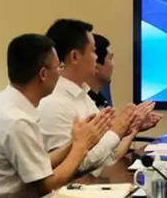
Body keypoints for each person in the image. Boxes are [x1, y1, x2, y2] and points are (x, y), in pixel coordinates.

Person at [0, 34, 108, 198]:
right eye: (59, 67)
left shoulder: (3, 104)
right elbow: (46, 185)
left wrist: (74, 142)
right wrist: (81, 148)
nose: (60, 73)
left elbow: (38, 164)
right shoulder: (17, 121)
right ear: (43, 74)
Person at [38, 20, 148, 175]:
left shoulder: (83, 96)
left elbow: (107, 157)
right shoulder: (53, 104)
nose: (96, 58)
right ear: (75, 56)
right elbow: (77, 166)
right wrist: (116, 131)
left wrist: (127, 128)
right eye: (93, 51)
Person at [87, 34, 161, 129]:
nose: (113, 65)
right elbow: (103, 138)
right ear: (96, 64)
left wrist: (132, 125)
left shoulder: (100, 98)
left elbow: (108, 134)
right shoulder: (82, 104)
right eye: (110, 59)